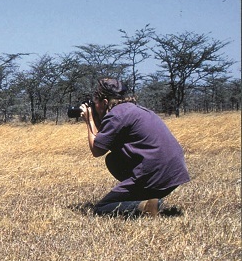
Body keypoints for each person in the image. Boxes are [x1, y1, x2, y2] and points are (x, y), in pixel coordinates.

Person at [80, 78, 190, 217]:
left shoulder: (116, 115)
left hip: (156, 173)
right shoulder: (134, 109)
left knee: (101, 208)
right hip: (174, 173)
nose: (94, 107)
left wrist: (89, 120)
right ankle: (146, 197)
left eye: (96, 103)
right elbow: (106, 142)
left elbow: (97, 150)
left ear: (105, 102)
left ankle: (144, 206)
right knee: (113, 159)